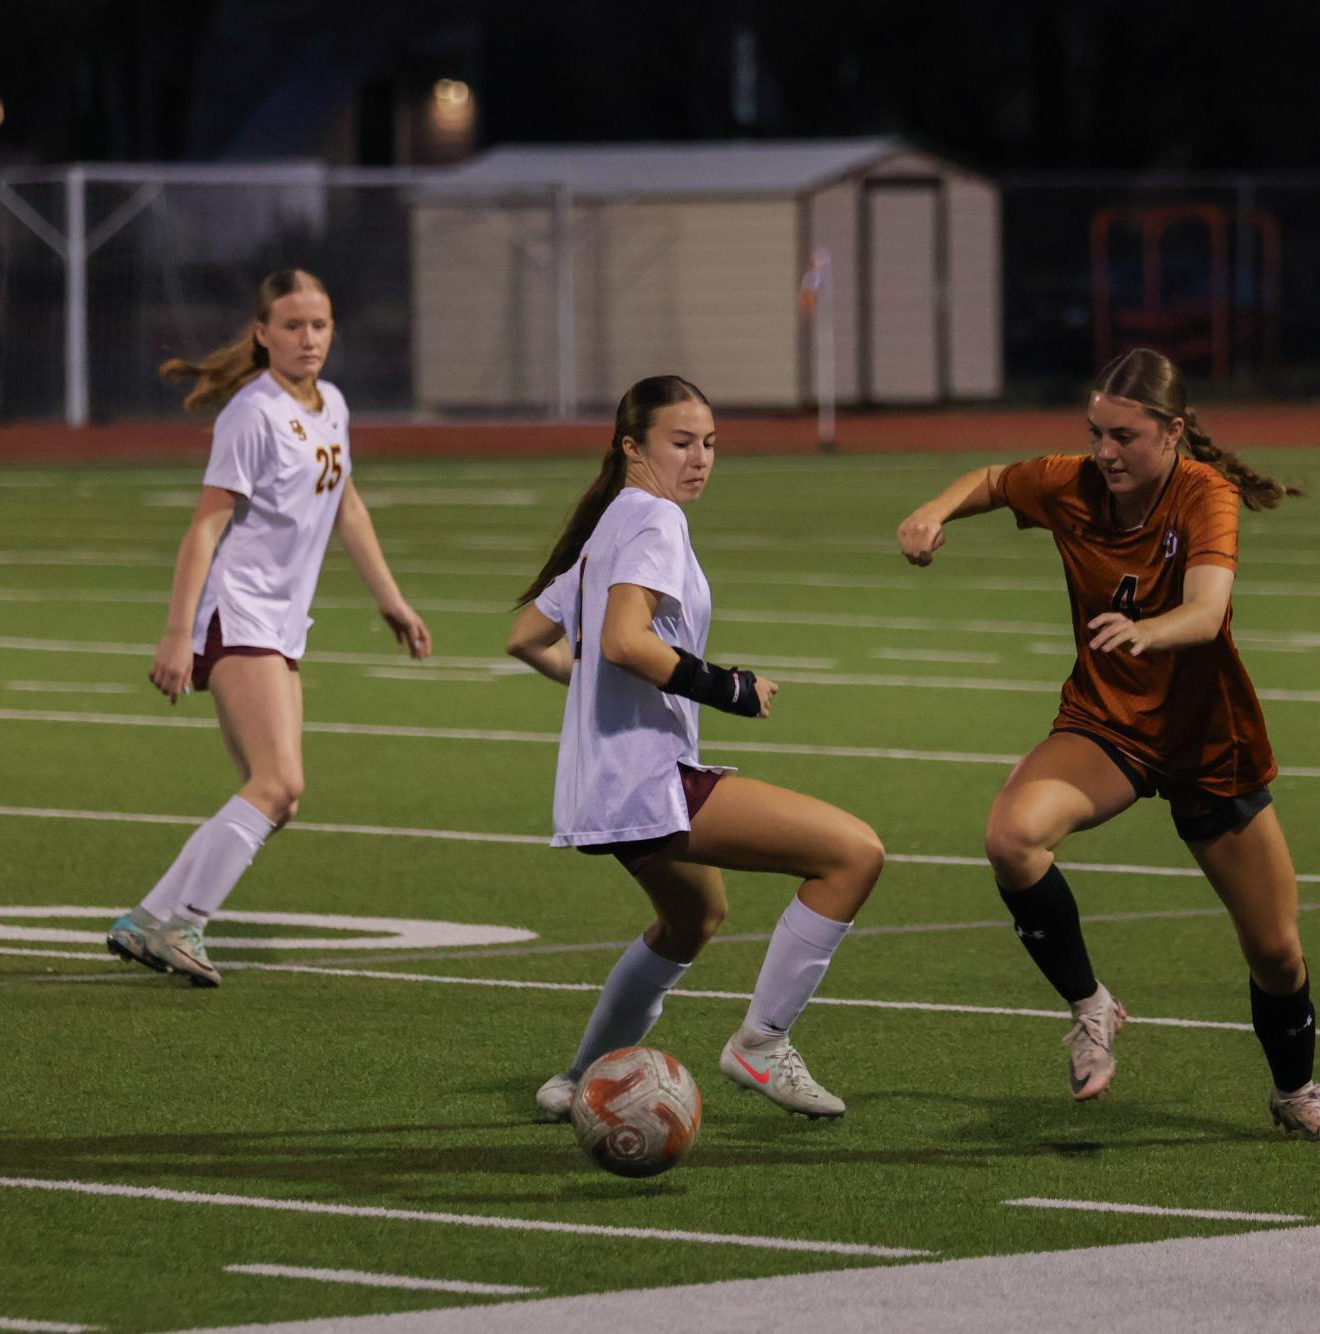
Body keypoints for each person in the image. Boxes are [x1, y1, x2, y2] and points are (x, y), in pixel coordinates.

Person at [894, 347, 1320, 1145]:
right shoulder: (1070, 482)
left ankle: (1295, 1092)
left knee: (1277, 953)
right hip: (1107, 725)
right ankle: (1090, 1006)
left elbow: (1207, 613)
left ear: (1171, 432)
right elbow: (990, 478)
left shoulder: (1201, 493)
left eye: (1123, 436)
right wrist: (933, 511)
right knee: (1011, 838)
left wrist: (1150, 631)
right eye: (1094, 433)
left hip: (1208, 743)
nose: (1103, 452)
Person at [507, 375, 883, 1120]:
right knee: (853, 854)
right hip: (648, 782)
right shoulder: (653, 521)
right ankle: (761, 1045)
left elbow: (525, 637)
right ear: (631, 447)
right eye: (681, 442)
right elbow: (622, 642)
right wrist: (730, 688)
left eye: (709, 443)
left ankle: (580, 1077)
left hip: (606, 786)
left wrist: (592, 702)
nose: (701, 458)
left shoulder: (615, 518)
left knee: (691, 920)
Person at [106, 269, 433, 987]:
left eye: (318, 325)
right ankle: (182, 924)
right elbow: (205, 528)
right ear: (262, 333)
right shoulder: (251, 414)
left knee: (278, 796)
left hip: (282, 624)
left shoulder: (331, 405)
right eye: (292, 325)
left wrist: (391, 599)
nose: (308, 338)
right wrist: (175, 633)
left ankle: (148, 920)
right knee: (278, 784)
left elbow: (347, 506)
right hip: (238, 613)